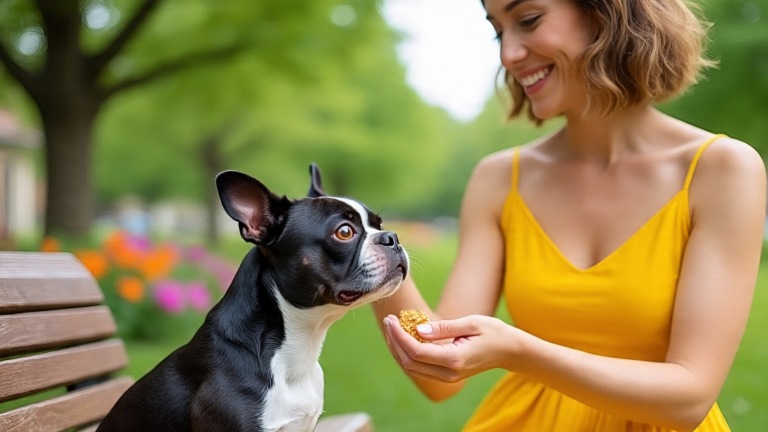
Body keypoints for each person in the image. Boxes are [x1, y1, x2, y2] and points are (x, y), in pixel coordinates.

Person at [372, 0, 766, 431]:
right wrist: (371, 247)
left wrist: (521, 352)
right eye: (498, 31)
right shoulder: (500, 178)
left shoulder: (722, 170)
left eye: (528, 20)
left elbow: (688, 399)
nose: (508, 55)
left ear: (608, 13)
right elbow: (442, 378)